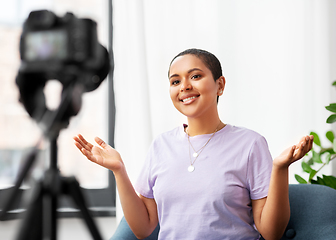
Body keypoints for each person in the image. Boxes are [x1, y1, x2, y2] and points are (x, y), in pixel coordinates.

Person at [74, 48, 313, 240]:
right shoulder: (161, 145)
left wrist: (281, 168)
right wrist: (118, 170)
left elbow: (271, 233)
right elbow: (143, 228)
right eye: (175, 81)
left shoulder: (250, 144)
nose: (185, 86)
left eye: (195, 76)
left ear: (220, 85)